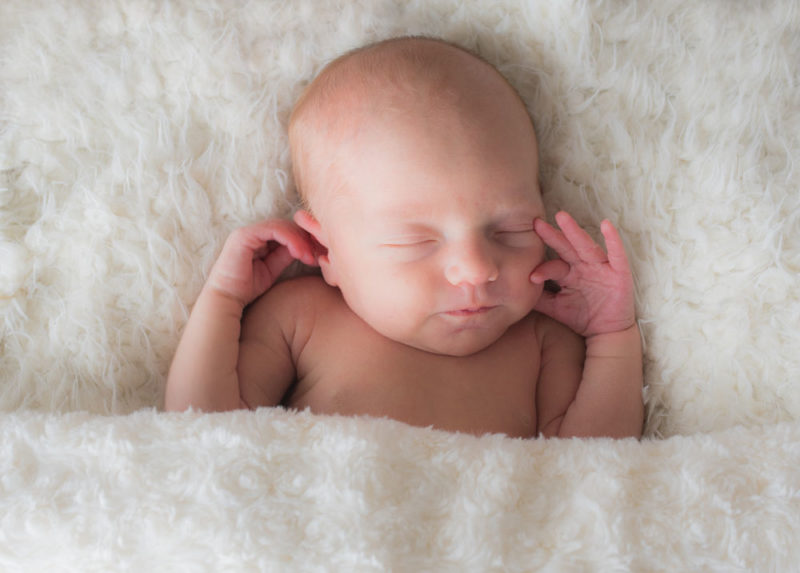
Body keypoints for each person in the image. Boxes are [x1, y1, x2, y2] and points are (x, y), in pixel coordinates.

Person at [165, 36, 644, 439]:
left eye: (510, 229)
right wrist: (224, 299)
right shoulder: (301, 319)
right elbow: (204, 439)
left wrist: (611, 335)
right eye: (416, 241)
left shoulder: (541, 341)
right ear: (328, 250)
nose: (477, 267)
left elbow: (595, 468)